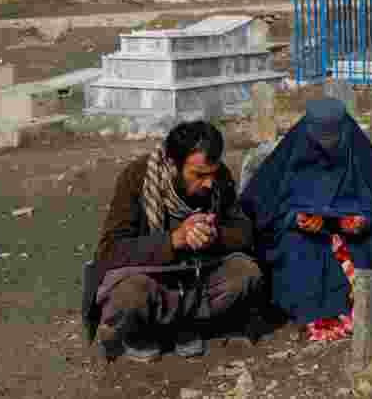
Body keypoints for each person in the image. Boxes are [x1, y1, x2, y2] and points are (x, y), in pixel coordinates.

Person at [82, 121, 263, 363]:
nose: (208, 183)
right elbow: (111, 250)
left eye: (212, 174)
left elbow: (243, 231)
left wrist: (214, 235)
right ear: (173, 164)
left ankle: (189, 324)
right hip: (152, 277)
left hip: (196, 274)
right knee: (130, 294)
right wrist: (174, 240)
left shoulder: (217, 179)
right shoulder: (138, 178)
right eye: (198, 175)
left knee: (245, 273)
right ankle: (139, 332)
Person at [240, 98, 372, 342]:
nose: (326, 147)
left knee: (360, 258)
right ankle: (312, 315)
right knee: (299, 252)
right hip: (298, 235)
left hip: (352, 237)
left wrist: (362, 221)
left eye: (332, 140)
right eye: (319, 141)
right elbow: (261, 205)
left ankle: (353, 311)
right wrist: (296, 218)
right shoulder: (291, 153)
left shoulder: (358, 153)